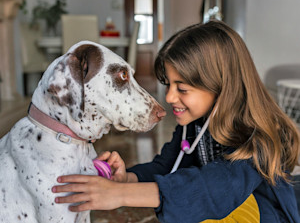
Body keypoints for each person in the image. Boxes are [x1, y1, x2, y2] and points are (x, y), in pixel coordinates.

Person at [52, 20, 300, 222]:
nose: (169, 97)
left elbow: (211, 190)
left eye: (182, 89)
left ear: (221, 87)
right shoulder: (196, 125)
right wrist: (127, 178)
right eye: (169, 85)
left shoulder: (259, 138)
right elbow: (166, 167)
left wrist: (120, 194)